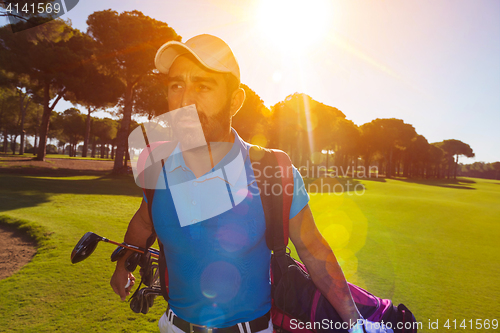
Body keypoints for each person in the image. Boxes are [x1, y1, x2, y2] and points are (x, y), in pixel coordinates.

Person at [110, 34, 389, 333]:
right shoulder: (159, 166)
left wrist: (355, 323)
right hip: (172, 326)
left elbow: (313, 250)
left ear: (235, 100)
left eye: (203, 86)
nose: (184, 100)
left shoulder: (271, 169)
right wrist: (123, 262)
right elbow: (143, 221)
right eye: (176, 84)